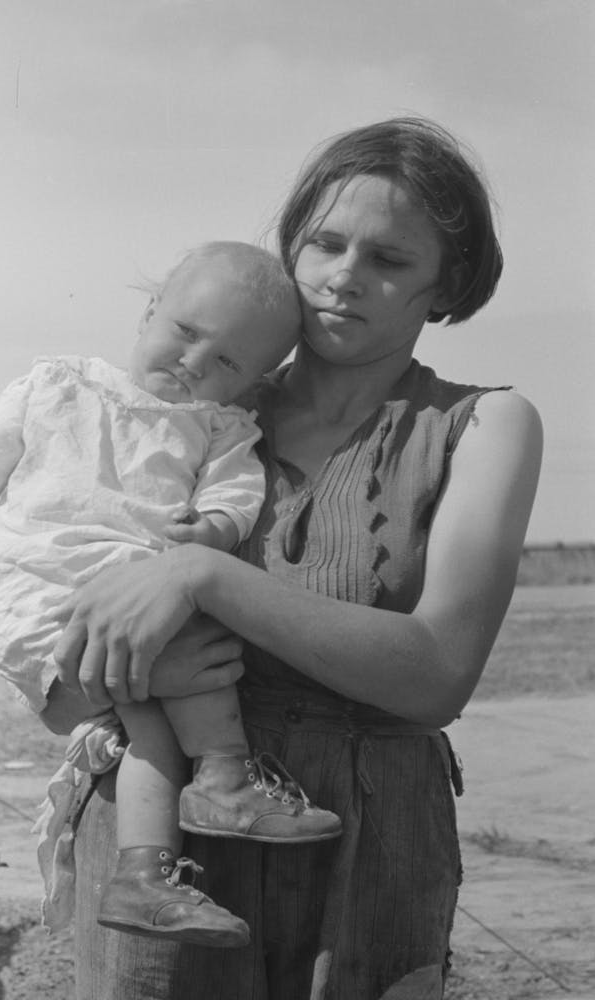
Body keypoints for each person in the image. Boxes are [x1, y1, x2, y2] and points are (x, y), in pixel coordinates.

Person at [51, 118, 543, 999]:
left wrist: (204, 575)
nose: (343, 276)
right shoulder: (181, 413)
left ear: (446, 283)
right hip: (161, 855)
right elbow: (57, 655)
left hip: (372, 845)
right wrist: (111, 674)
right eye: (325, 243)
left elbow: (438, 675)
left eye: (388, 259)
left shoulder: (483, 427)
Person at [0, 241, 343, 951]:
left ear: (253, 381)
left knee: (154, 724)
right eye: (186, 332)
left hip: (136, 605)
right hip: (45, 598)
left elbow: (236, 493)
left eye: (226, 362)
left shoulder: (219, 427)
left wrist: (214, 527)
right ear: (150, 310)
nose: (194, 363)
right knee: (193, 662)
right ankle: (224, 774)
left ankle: (143, 874)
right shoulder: (57, 385)